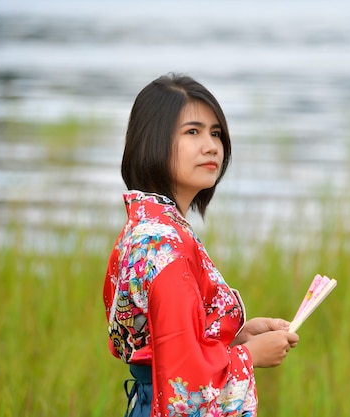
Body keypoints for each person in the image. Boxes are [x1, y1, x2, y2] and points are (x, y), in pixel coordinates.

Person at [103, 73, 299, 417]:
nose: (211, 146)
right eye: (192, 132)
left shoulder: (150, 226)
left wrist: (236, 337)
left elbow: (166, 339)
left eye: (216, 133)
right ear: (154, 141)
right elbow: (182, 378)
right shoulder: (164, 245)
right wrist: (250, 356)